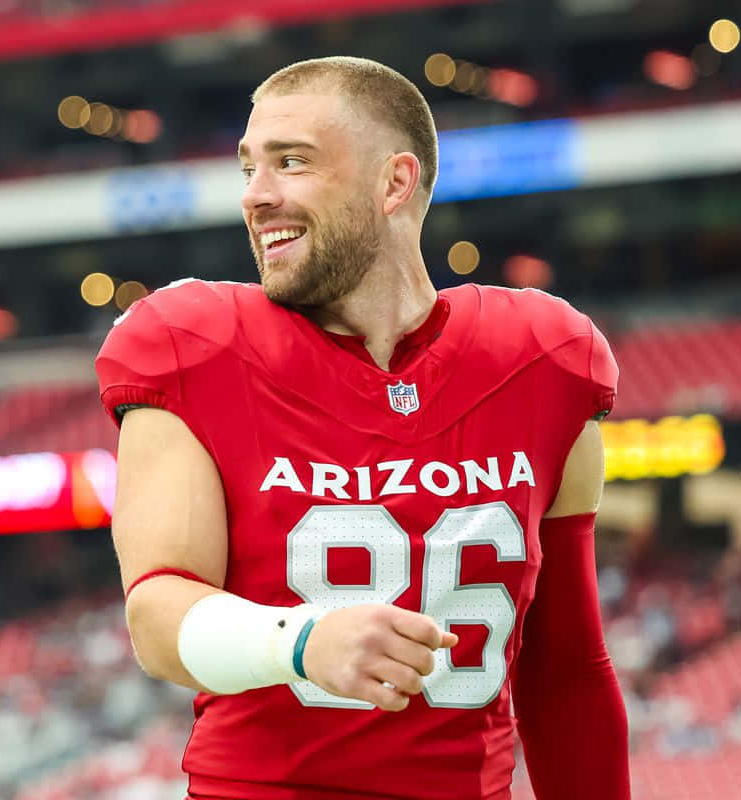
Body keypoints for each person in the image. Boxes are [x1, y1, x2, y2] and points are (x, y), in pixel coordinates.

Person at [96, 56, 630, 800]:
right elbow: (158, 614)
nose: (257, 195)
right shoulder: (196, 343)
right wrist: (302, 642)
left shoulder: (541, 360)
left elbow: (567, 671)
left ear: (394, 182)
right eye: (249, 168)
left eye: (292, 162)